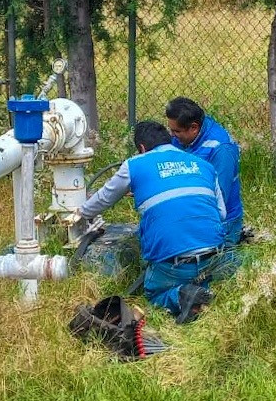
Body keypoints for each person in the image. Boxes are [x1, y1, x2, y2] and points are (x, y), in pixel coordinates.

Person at [76, 120, 239, 323]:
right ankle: (203, 292)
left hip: (174, 264)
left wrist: (80, 212)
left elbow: (103, 199)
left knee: (153, 294)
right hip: (214, 255)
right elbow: (221, 213)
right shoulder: (204, 165)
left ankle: (181, 295)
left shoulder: (134, 165)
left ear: (142, 148)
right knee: (222, 277)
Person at [165, 97, 244, 246]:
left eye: (176, 131)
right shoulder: (184, 137)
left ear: (194, 128)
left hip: (220, 223)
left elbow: (218, 200)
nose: (172, 136)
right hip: (189, 212)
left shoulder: (221, 150)